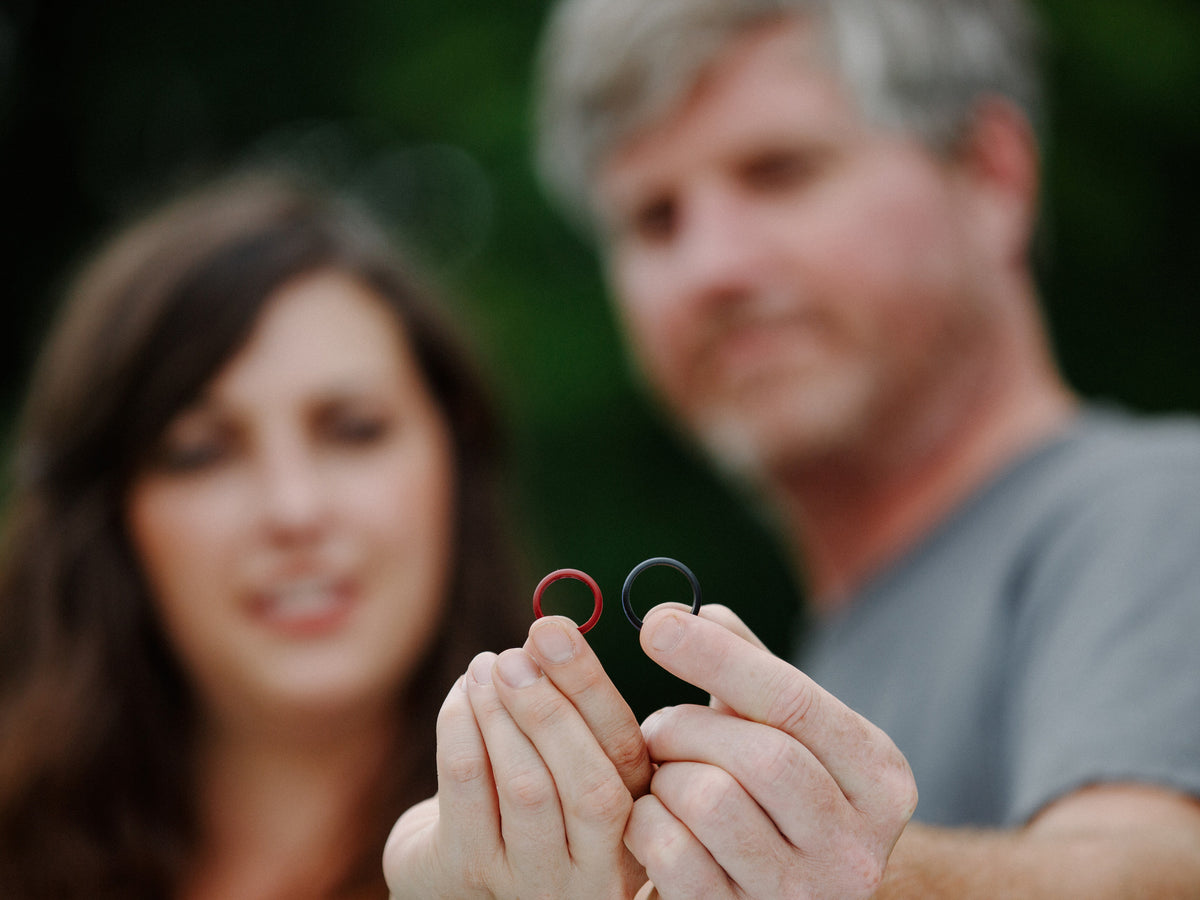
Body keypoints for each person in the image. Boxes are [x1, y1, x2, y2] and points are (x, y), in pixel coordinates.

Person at [383, 0, 1200, 897]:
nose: (713, 268)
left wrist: (866, 880)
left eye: (781, 172)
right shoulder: (825, 659)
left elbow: (1156, 872)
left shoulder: (1161, 510)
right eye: (655, 219)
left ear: (992, 175)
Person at [0, 170, 528, 898]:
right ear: (109, 517)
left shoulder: (631, 866)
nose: (294, 509)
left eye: (353, 431)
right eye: (201, 451)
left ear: (454, 461)